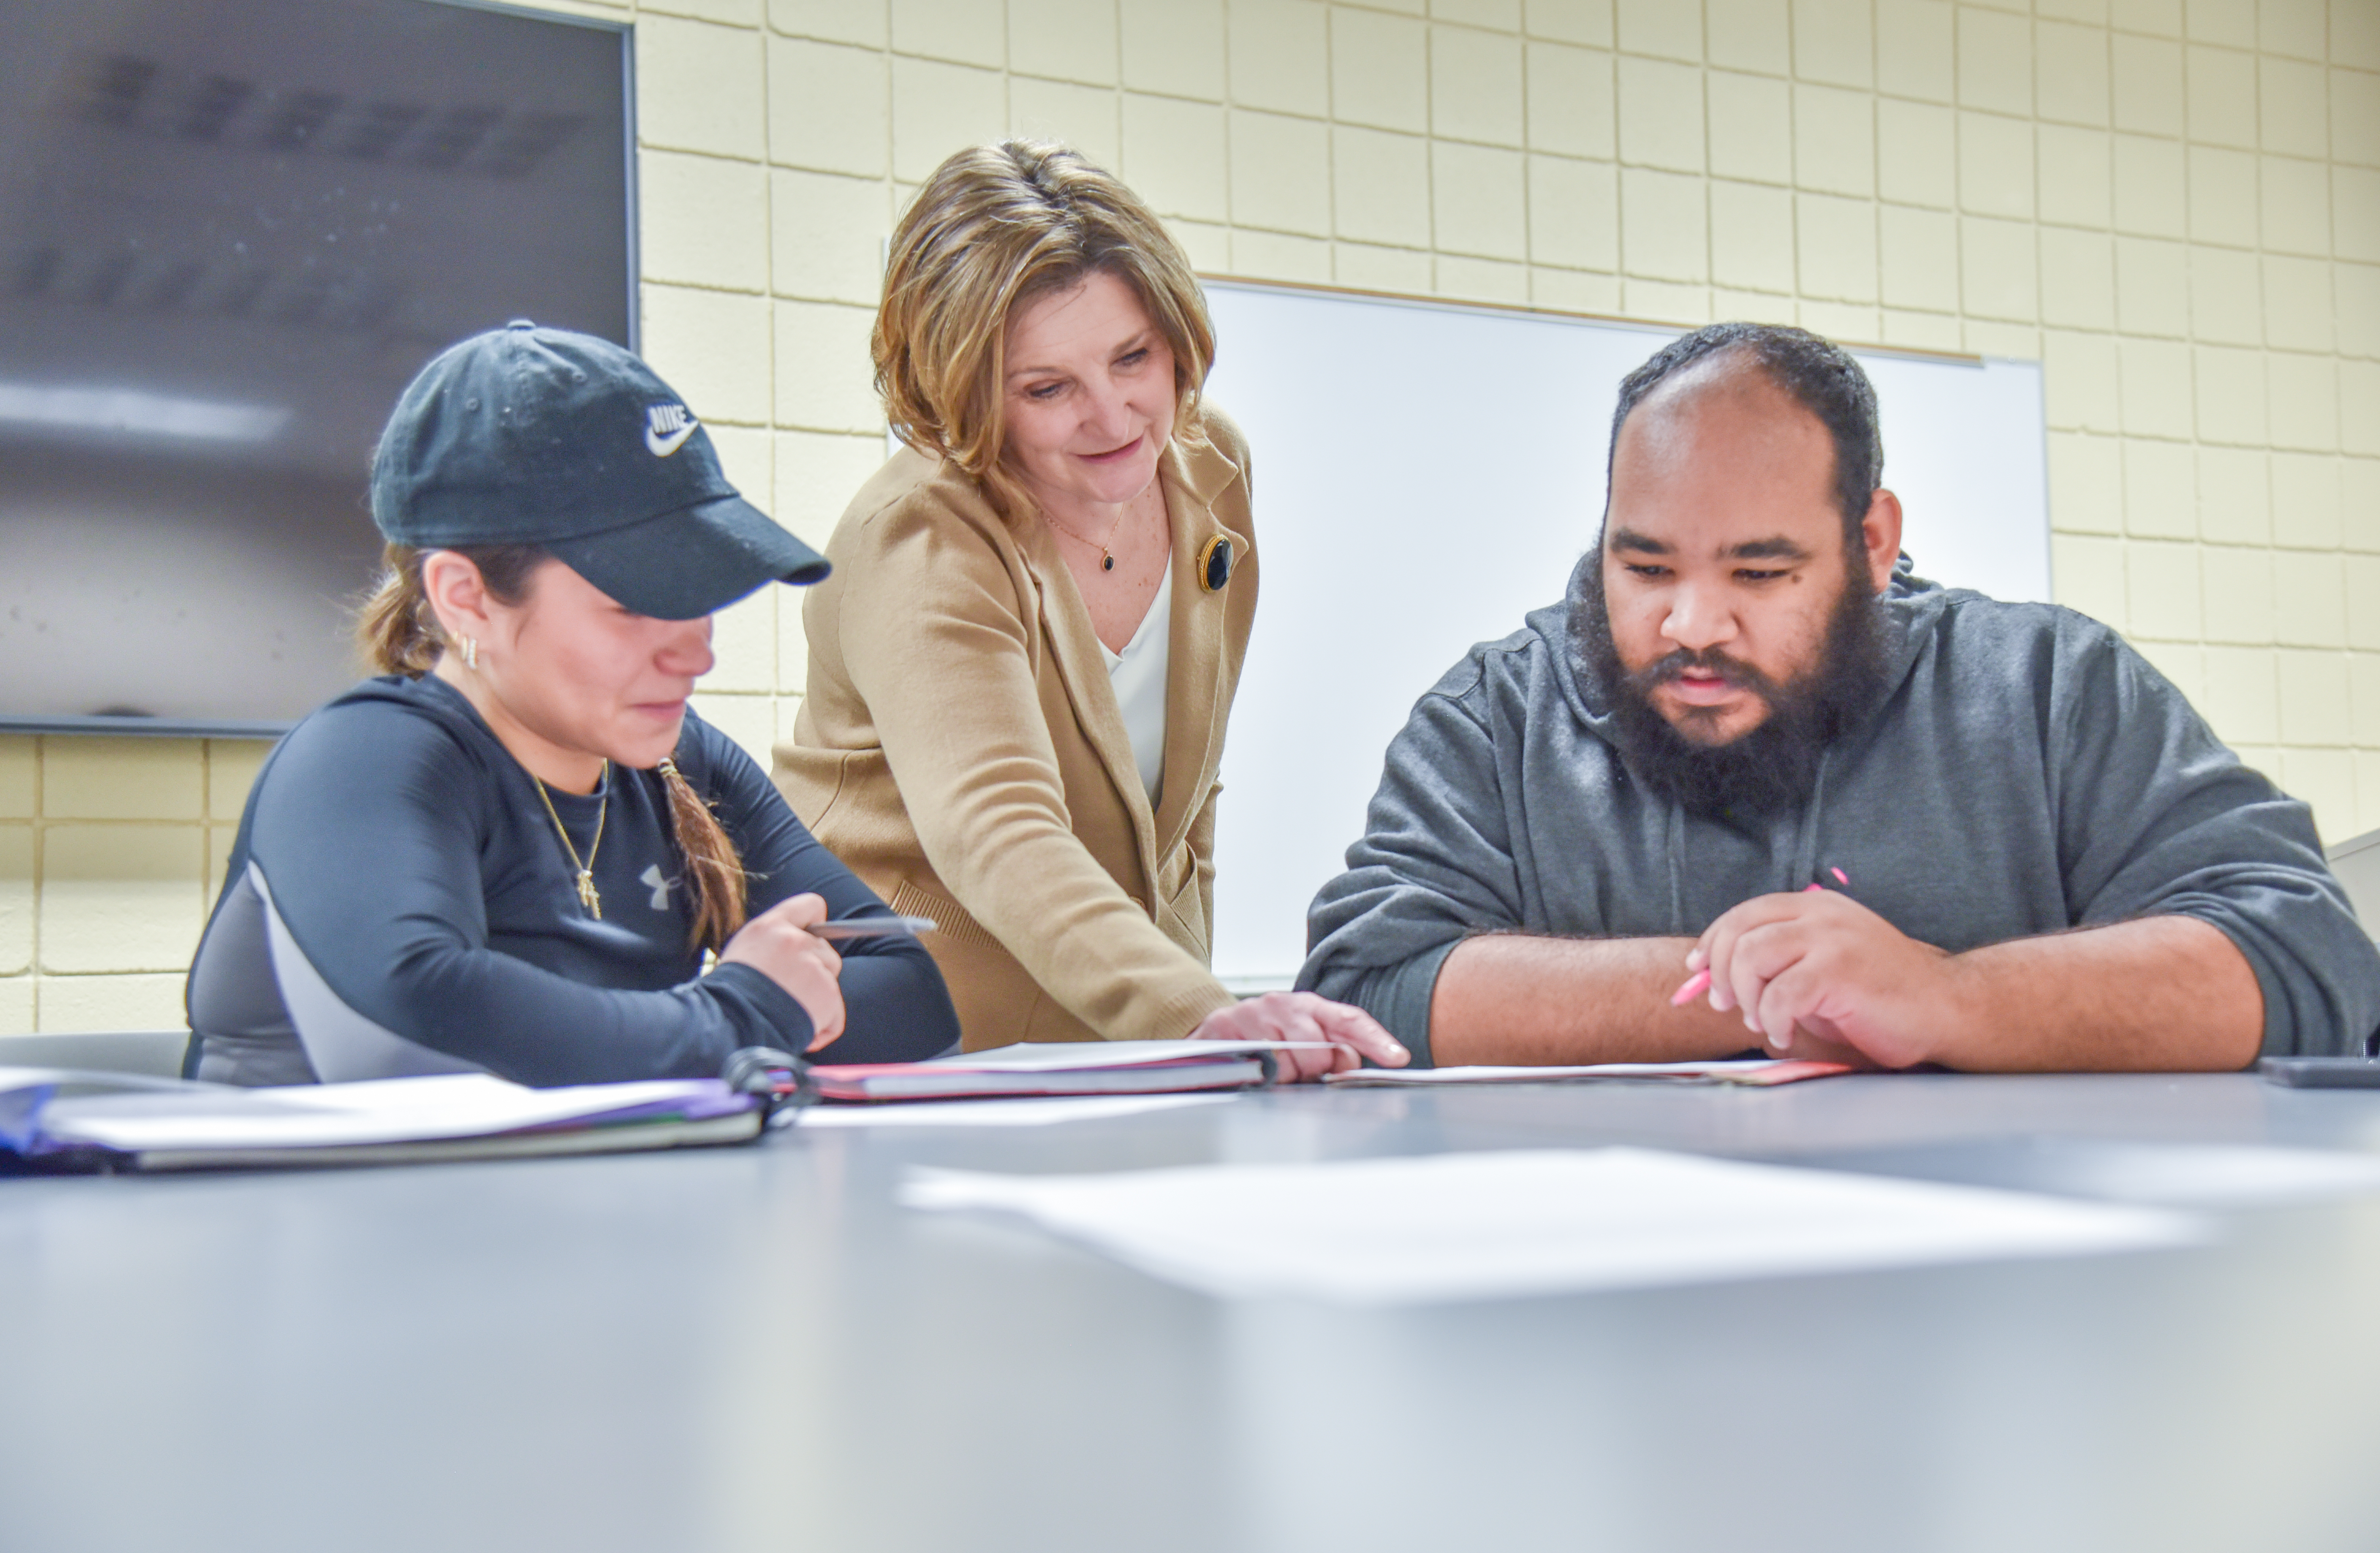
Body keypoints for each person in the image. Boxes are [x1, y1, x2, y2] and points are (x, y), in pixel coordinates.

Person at [1300, 322, 2380, 1073]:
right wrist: (1759, 988)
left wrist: (1946, 998)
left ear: (1872, 543)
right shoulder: (1498, 719)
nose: (1692, 626)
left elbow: (2305, 959)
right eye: (1644, 568)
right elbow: (1371, 984)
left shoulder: (2048, 691)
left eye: (1760, 574)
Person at [185, 320, 960, 1087]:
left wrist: (678, 1032)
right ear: (467, 598)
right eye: (632, 604)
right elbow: (435, 1019)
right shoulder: (365, 757)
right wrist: (745, 1012)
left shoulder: (680, 761)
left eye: (698, 596)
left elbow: (907, 990)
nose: (696, 653)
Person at [773, 140, 1401, 1079]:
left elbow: (1182, 797)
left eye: (1132, 357)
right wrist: (1193, 1011)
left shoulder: (1205, 466)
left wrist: (1194, 1006)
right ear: (965, 393)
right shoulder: (922, 537)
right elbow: (999, 829)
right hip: (926, 1042)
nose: (1113, 418)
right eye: (1047, 388)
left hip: (1140, 1037)